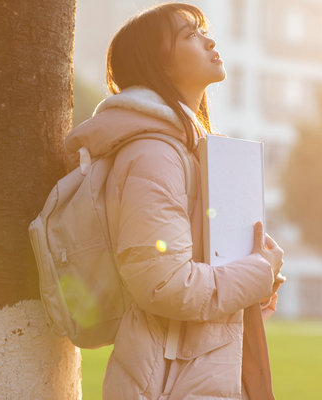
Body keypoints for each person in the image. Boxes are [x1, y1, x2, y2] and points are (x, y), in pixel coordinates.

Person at [65, 3, 284, 399]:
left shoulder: (186, 150)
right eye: (190, 35)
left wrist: (257, 278)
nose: (210, 40)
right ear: (158, 63)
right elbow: (164, 284)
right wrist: (257, 273)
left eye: (203, 30)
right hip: (167, 385)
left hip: (194, 374)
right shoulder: (153, 154)